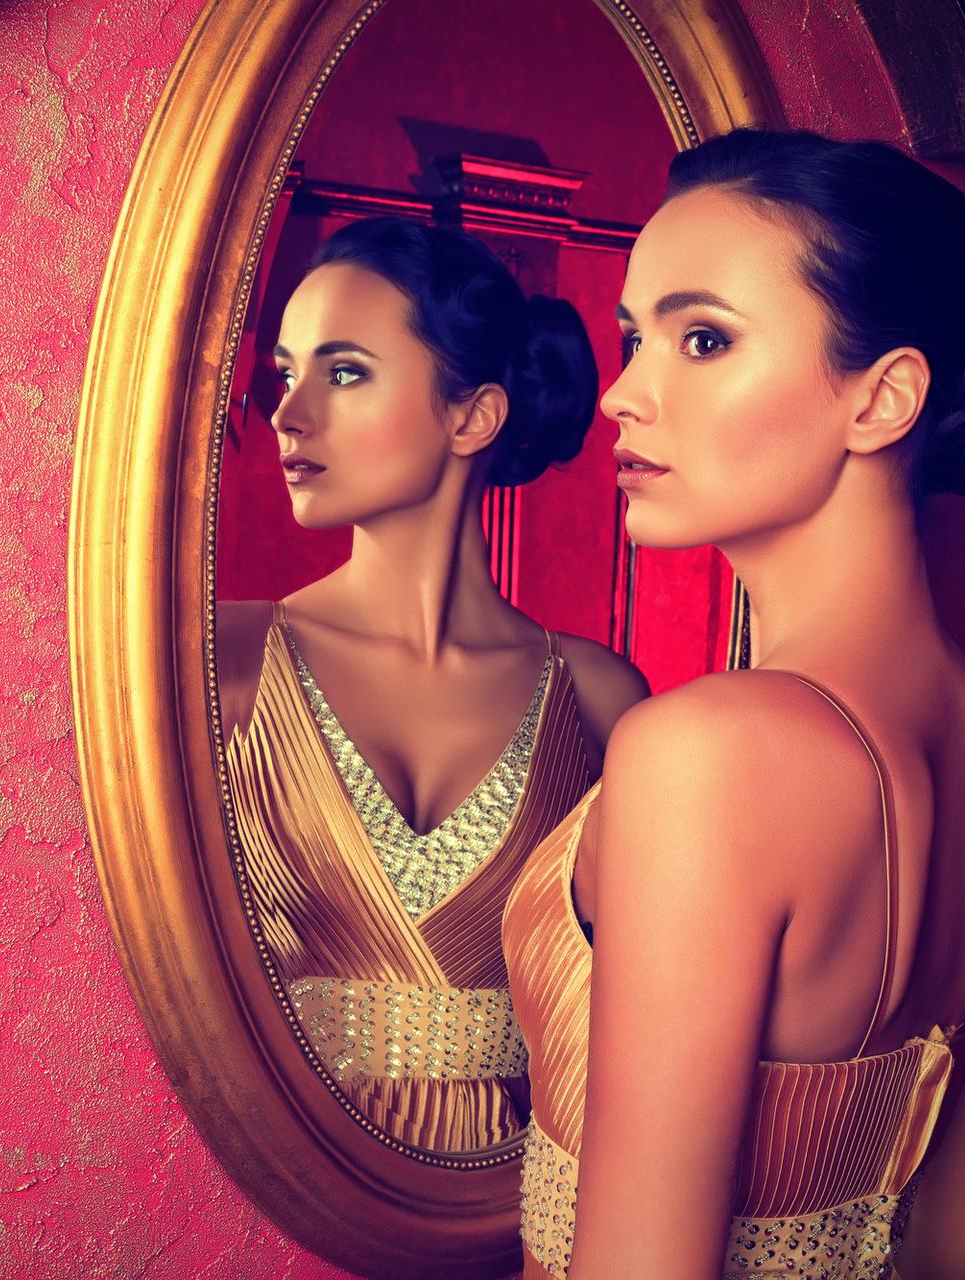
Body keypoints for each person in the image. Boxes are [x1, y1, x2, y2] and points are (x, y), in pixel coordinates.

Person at [504, 128, 965, 1276]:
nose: (621, 395)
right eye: (633, 338)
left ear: (883, 398)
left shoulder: (702, 754)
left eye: (704, 339)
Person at [217, 217, 651, 1152]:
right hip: (263, 1191)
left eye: (344, 373)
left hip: (511, 1204)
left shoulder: (600, 701)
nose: (289, 414)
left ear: (472, 417)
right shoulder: (227, 663)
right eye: (287, 374)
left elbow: (630, 1031)